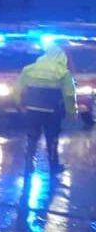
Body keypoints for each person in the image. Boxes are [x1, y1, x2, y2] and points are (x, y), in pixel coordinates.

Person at [15, 44, 77, 175]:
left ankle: (28, 163)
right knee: (52, 137)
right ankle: (53, 165)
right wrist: (72, 112)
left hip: (32, 110)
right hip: (53, 111)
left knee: (32, 136)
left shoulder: (29, 69)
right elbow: (69, 95)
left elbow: (17, 90)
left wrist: (20, 105)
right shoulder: (63, 72)